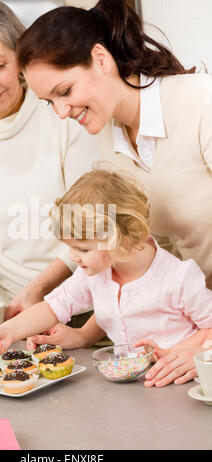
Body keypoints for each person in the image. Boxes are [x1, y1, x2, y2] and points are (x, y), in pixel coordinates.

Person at [15, 0, 212, 385]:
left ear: (101, 59)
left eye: (65, 90)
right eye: (48, 101)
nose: (60, 112)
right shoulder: (110, 139)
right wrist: (84, 330)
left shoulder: (201, 104)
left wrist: (203, 343)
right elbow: (143, 252)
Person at [0, 0, 100, 329]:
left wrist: (40, 288)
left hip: (91, 308)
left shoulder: (64, 115)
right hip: (18, 315)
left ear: (21, 60)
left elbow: (90, 224)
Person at [0, 169, 212, 389]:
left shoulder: (179, 277)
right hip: (135, 386)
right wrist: (8, 331)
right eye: (71, 248)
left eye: (82, 249)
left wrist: (174, 352)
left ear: (119, 240)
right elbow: (54, 306)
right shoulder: (94, 273)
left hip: (184, 382)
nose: (73, 258)